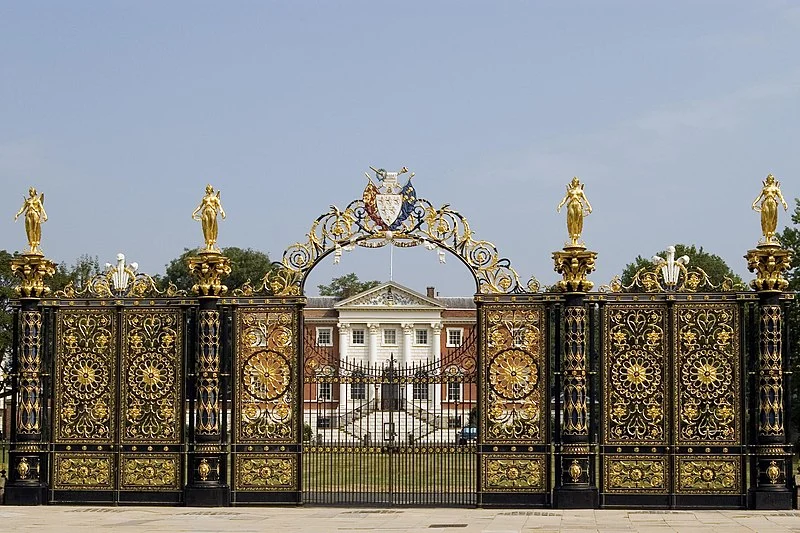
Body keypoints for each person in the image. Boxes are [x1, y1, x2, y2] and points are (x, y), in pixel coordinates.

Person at [751, 174, 788, 244]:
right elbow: (759, 197)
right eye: (768, 179)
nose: (769, 180)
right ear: (767, 180)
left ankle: (770, 234)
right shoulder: (765, 189)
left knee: (772, 219)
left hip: (773, 203)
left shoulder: (775, 188)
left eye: (771, 179)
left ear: (772, 180)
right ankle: (767, 235)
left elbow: (781, 197)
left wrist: (784, 203)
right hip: (766, 203)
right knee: (766, 219)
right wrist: (754, 203)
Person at [556, 177, 592, 246]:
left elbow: (585, 199)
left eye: (575, 181)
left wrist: (589, 207)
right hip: (571, 205)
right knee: (571, 221)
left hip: (578, 205)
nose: (574, 182)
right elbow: (565, 199)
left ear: (577, 183)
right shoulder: (570, 191)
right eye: (573, 181)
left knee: (577, 221)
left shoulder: (580, 191)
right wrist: (560, 205)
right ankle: (572, 236)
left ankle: (576, 236)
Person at [192, 184, 226, 251]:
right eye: (207, 189)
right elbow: (200, 206)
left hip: (212, 211)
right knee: (206, 227)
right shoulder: (205, 198)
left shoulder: (214, 198)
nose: (208, 190)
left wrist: (222, 212)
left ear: (212, 190)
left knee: (212, 227)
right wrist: (194, 212)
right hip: (205, 212)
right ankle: (207, 243)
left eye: (209, 189)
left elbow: (219, 206)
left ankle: (212, 243)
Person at [14, 187, 47, 254]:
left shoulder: (37, 200)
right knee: (29, 229)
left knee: (35, 229)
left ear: (34, 192)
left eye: (31, 191)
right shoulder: (28, 200)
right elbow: (23, 208)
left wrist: (45, 215)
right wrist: (18, 214)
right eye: (29, 192)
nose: (30, 193)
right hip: (28, 214)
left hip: (35, 213)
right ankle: (31, 243)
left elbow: (41, 208)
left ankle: (35, 245)